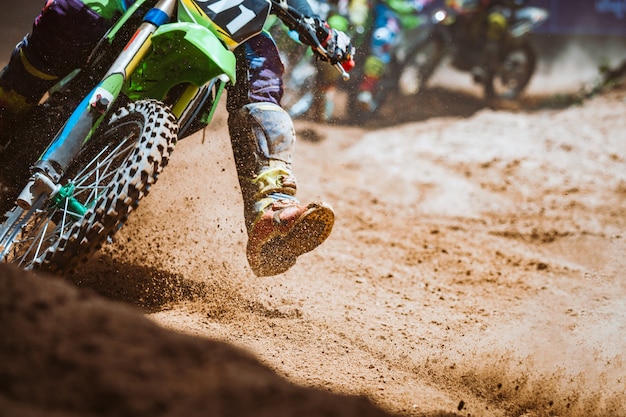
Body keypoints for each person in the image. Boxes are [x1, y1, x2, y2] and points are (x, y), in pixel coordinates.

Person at [0, 0, 355, 277]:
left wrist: (320, 29)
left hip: (229, 21)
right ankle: (7, 105)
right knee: (76, 11)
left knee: (263, 70)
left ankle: (272, 212)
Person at [354, 0, 435, 113]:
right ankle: (365, 89)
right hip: (378, 13)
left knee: (383, 42)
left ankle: (368, 89)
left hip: (407, 21)